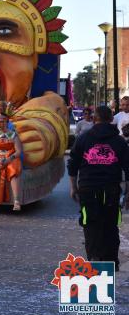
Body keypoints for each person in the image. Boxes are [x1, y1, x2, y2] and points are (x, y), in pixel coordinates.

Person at [68, 106, 129, 271]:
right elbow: (128, 168)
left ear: (95, 119)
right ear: (111, 119)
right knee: (110, 225)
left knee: (90, 224)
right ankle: (110, 261)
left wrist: (73, 187)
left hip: (88, 188)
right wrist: (127, 192)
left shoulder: (83, 138)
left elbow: (73, 164)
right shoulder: (119, 141)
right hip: (111, 189)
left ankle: (94, 259)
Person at [0, 103, 23, 211]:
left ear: (7, 122)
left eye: (2, 122)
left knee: (13, 170)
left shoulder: (13, 134)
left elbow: (18, 151)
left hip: (11, 157)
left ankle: (16, 201)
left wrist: (8, 159)